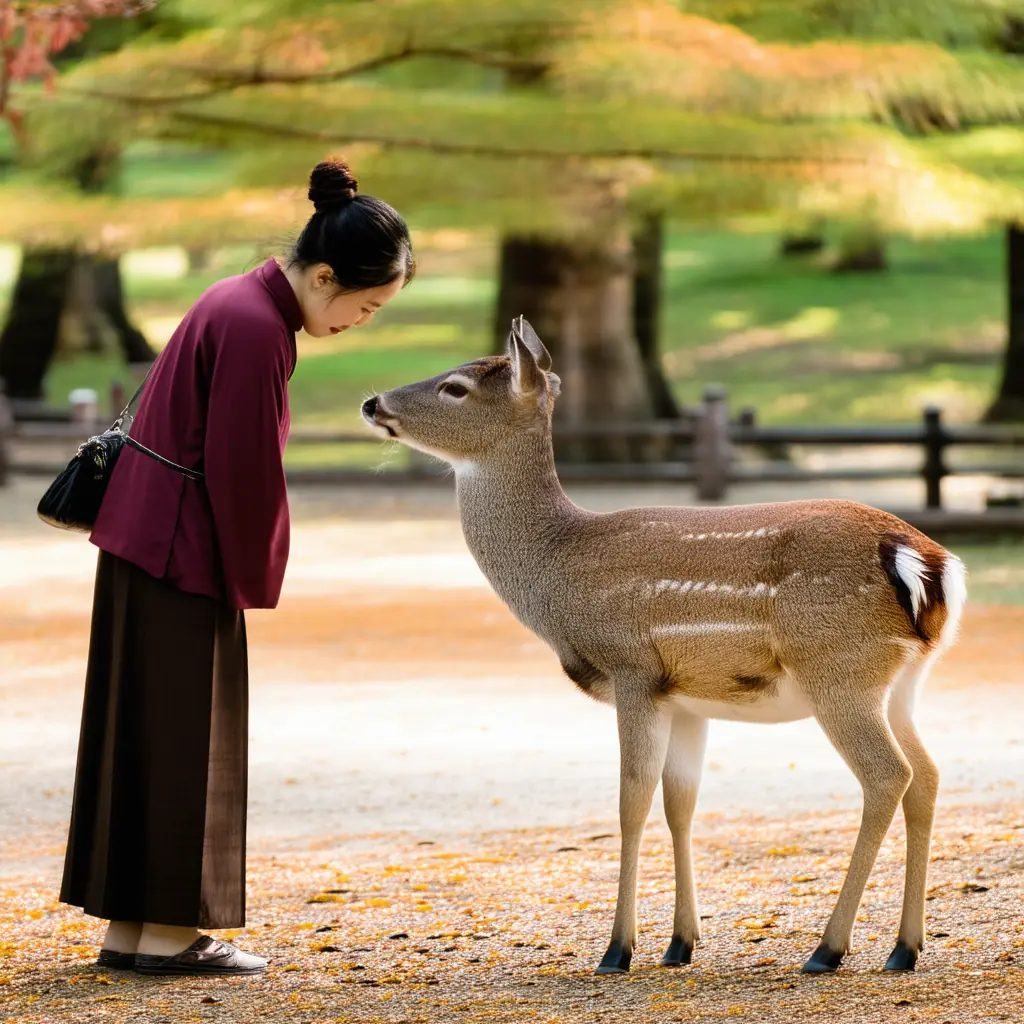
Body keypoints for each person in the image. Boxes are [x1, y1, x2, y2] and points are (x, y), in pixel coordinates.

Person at [59, 160, 415, 977]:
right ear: (324, 276)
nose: (361, 320)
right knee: (188, 737)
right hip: (183, 550)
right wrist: (255, 571)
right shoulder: (258, 329)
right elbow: (243, 471)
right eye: (365, 304)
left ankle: (136, 930)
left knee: (146, 732)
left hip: (146, 538)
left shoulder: (233, 299)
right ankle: (171, 935)